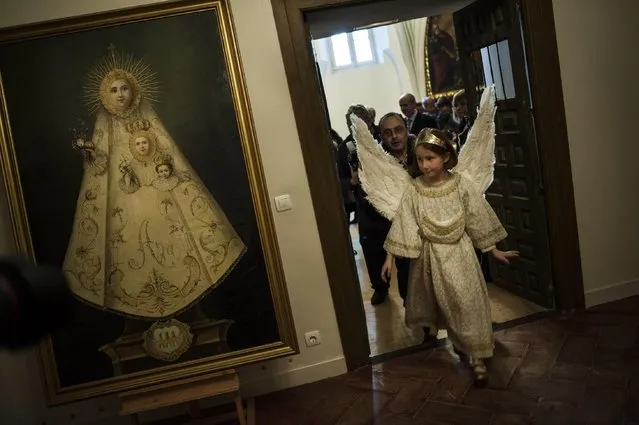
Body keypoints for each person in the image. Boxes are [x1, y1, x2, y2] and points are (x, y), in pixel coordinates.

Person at [65, 46, 246, 319]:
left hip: (159, 193)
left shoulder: (147, 118)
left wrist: (159, 167)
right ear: (105, 95)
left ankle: (192, 307)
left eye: (124, 88)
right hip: (121, 203)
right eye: (114, 90)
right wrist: (91, 154)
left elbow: (168, 154)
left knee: (176, 243)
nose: (120, 94)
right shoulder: (103, 127)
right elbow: (99, 168)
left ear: (133, 89)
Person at [380, 128, 518, 385]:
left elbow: (476, 218)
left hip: (461, 254)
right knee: (446, 304)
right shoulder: (415, 190)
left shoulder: (461, 184)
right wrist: (390, 257)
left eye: (430, 158)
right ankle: (458, 341)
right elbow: (405, 222)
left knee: (467, 302)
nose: (424, 165)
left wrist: (493, 249)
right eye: (420, 159)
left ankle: (478, 356)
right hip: (431, 258)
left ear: (445, 157)